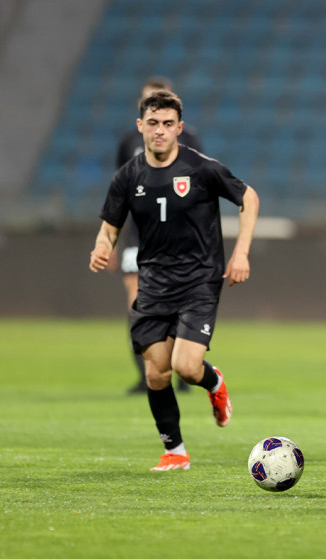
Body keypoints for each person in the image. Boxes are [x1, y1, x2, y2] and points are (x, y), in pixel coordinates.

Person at [90, 90, 259, 471]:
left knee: (185, 366)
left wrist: (241, 252)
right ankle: (175, 451)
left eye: (168, 124)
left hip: (199, 278)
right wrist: (102, 247)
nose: (160, 131)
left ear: (179, 128)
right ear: (140, 127)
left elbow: (249, 197)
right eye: (153, 123)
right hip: (153, 282)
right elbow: (110, 226)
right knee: (156, 372)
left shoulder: (201, 168)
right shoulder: (128, 176)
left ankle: (212, 382)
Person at [115, 76, 203, 395]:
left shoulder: (189, 138)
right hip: (138, 236)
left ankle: (183, 371)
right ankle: (147, 376)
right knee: (137, 305)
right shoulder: (128, 141)